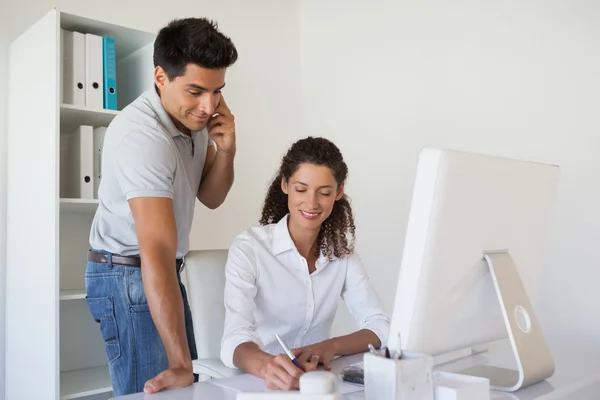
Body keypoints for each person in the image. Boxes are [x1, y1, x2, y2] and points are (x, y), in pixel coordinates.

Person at [84, 17, 238, 396]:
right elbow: (156, 249)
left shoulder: (192, 123)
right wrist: (181, 362)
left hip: (158, 271)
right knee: (157, 390)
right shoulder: (143, 137)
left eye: (217, 91)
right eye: (196, 91)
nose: (208, 106)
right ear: (160, 77)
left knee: (182, 390)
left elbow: (212, 197)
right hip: (129, 275)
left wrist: (227, 150)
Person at [220, 137, 390, 390]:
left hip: (315, 384)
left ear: (339, 192)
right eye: (301, 189)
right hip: (260, 382)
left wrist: (329, 346)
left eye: (324, 193)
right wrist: (270, 366)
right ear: (285, 184)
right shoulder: (250, 248)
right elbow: (234, 338)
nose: (312, 203)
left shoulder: (341, 255)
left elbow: (380, 325)